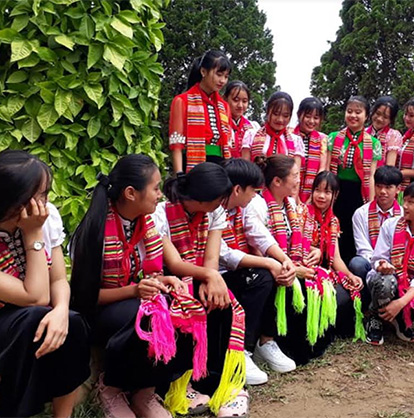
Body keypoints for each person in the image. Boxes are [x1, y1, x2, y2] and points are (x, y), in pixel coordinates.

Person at [70, 154, 195, 418]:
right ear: (130, 193)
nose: (160, 195)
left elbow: (146, 277)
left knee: (185, 307)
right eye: (156, 188)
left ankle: (144, 394)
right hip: (99, 312)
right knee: (150, 314)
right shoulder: (94, 232)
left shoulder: (146, 225)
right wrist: (135, 291)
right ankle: (110, 388)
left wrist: (165, 281)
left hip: (132, 303)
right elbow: (83, 298)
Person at [152, 162, 250, 417]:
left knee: (224, 302)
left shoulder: (214, 212)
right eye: (219, 198)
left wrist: (211, 279)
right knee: (188, 307)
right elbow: (172, 263)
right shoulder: (161, 212)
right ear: (204, 198)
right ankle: (181, 384)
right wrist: (208, 276)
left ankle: (224, 385)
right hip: (170, 282)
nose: (222, 203)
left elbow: (211, 258)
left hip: (198, 275)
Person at [0, 150, 89, 418]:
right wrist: (33, 234)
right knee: (33, 319)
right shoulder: (36, 225)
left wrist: (61, 311)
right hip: (13, 317)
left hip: (30, 312)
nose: (46, 202)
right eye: (40, 194)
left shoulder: (46, 215)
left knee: (72, 323)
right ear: (12, 200)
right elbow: (35, 297)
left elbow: (59, 279)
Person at [207, 159, 297, 385]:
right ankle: (241, 351)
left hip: (232, 270)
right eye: (253, 192)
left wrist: (284, 260)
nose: (255, 197)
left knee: (278, 275)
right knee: (263, 276)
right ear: (237, 189)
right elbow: (223, 254)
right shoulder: (213, 208)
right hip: (214, 274)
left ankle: (265, 342)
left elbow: (258, 233)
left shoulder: (242, 206)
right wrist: (268, 263)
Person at [278, 172, 365, 362]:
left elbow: (335, 259)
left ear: (336, 195)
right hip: (299, 265)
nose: (321, 196)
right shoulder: (300, 213)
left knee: (348, 291)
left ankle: (320, 337)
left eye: (327, 192)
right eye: (317, 190)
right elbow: (293, 243)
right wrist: (314, 249)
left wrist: (350, 275)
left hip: (323, 271)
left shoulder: (333, 221)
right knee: (319, 293)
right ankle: (303, 343)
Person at [364, 181, 414, 345]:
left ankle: (401, 317)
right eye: (405, 200)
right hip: (389, 283)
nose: (405, 206)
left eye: (411, 202)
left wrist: (401, 303)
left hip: (412, 291)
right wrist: (382, 265)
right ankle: (376, 318)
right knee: (384, 280)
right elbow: (377, 259)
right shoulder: (391, 225)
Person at [242, 155, 305, 367]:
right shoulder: (258, 204)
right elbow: (256, 242)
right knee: (274, 278)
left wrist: (307, 255)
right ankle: (257, 343)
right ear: (277, 181)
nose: (299, 179)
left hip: (285, 262)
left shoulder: (290, 205)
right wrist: (285, 265)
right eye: (295, 175)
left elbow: (296, 240)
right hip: (260, 265)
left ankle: (276, 342)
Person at [327, 96, 383, 261]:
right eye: (349, 111)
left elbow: (371, 175)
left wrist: (371, 203)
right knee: (333, 228)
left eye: (358, 112)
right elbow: (327, 169)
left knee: (354, 230)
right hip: (336, 191)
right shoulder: (334, 137)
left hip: (359, 192)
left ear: (366, 116)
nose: (353, 115)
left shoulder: (373, 143)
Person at [169, 50, 234, 173]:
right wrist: (179, 175)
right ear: (203, 71)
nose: (223, 81)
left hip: (221, 166)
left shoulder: (224, 107)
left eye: (226, 77)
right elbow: (176, 144)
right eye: (219, 74)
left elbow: (227, 145)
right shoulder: (181, 101)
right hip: (193, 166)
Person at [349, 165, 403, 282]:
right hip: (369, 263)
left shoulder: (403, 216)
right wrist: (379, 264)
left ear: (398, 189)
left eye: (388, 187)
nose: (383, 192)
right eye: (379, 186)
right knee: (357, 263)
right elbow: (363, 248)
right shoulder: (361, 213)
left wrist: (388, 265)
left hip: (394, 266)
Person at [242, 92, 305, 167]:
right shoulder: (251, 135)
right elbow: (245, 169)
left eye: (285, 116)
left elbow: (295, 174)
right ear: (268, 111)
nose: (280, 120)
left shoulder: (296, 141)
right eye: (276, 114)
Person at [293, 97, 328, 203]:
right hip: (289, 191)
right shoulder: (290, 136)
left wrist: (312, 197)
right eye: (308, 116)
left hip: (313, 196)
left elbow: (322, 169)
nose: (311, 121)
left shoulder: (323, 140)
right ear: (299, 115)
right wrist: (295, 197)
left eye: (316, 118)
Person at [224, 81, 260, 158]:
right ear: (225, 99)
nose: (240, 105)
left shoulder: (254, 127)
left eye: (244, 101)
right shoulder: (220, 124)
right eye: (235, 100)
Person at [365, 96, 403, 167]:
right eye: (377, 113)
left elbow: (389, 167)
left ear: (391, 120)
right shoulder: (363, 132)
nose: (379, 119)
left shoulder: (393, 135)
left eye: (385, 117)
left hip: (382, 176)